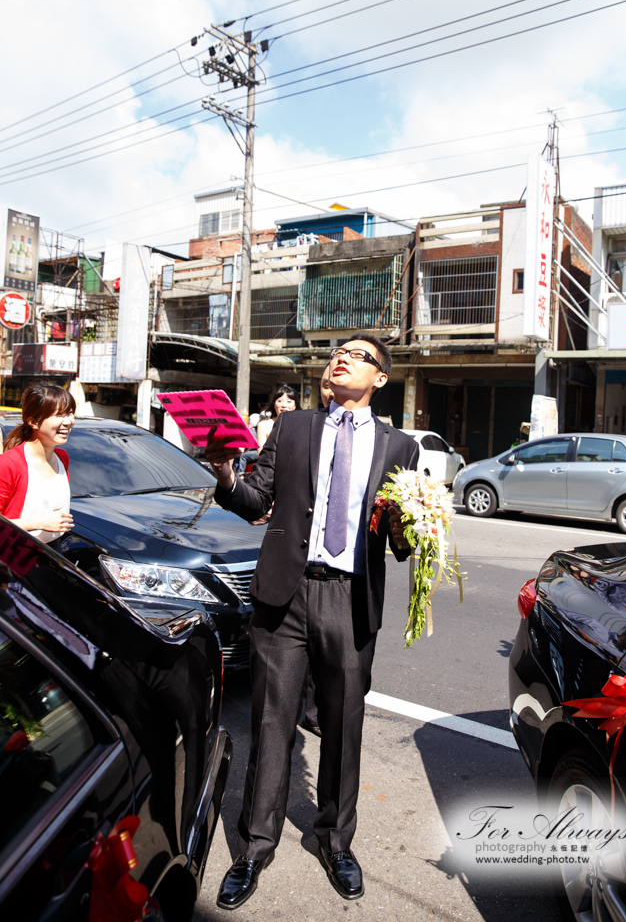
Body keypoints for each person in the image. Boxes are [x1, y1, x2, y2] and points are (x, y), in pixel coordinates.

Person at [207, 332, 418, 910]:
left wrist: (413, 527)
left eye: (358, 355)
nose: (341, 358)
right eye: (337, 353)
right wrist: (226, 476)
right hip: (286, 594)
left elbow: (400, 543)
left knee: (344, 726)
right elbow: (255, 500)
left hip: (351, 600)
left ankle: (335, 840)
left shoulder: (400, 447)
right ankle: (253, 847)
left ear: (379, 377)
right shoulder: (293, 428)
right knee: (272, 721)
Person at [299, 365, 334, 739]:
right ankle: (303, 708)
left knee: (328, 662)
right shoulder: (299, 428)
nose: (328, 391)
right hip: (296, 565)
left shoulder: (386, 442)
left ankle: (318, 709)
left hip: (338, 580)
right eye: (323, 385)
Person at [0, 380, 75, 542]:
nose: (68, 421)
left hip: (52, 552)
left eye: (69, 413)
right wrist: (37, 523)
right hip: (16, 556)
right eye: (59, 415)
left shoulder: (62, 457)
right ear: (33, 422)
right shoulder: (8, 464)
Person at [256, 384, 300, 448]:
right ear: (274, 405)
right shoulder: (263, 426)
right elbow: (261, 454)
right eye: (280, 401)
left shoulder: (302, 426)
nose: (284, 405)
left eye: (289, 401)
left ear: (295, 406)